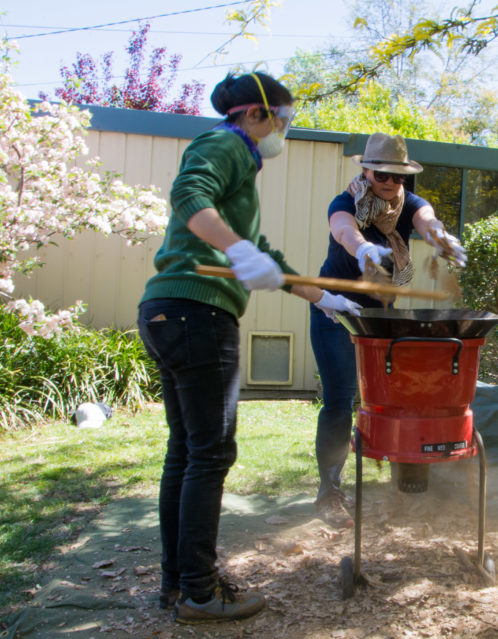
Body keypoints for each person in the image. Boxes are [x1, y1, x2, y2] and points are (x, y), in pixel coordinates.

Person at [137, 72, 359, 624]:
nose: (282, 131)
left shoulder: (241, 167)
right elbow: (189, 196)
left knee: (188, 452)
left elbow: (261, 252)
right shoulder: (225, 143)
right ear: (255, 115)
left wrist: (324, 296)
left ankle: (178, 583)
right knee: (210, 453)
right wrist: (237, 250)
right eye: (282, 119)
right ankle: (199, 590)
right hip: (197, 314)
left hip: (168, 311)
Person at [309, 132, 466, 528]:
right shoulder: (345, 201)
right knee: (340, 400)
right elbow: (344, 230)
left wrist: (440, 238)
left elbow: (426, 219)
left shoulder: (408, 203)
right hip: (336, 311)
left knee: (393, 397)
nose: (391, 183)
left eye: (399, 177)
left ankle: (404, 477)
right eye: (383, 174)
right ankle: (330, 493)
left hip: (380, 316)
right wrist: (361, 248)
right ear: (367, 169)